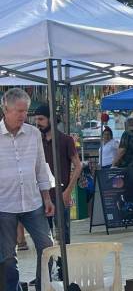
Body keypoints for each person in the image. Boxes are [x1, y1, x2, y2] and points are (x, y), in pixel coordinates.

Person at [0, 88, 55, 291]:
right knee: (7, 256)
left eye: (26, 111)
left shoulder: (33, 134)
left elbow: (41, 167)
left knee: (47, 247)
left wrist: (47, 197)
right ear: (5, 109)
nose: (23, 115)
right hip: (4, 204)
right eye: (19, 111)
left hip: (33, 202)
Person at [33, 105, 82, 245]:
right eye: (36, 119)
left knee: (63, 236)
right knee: (44, 238)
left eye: (41, 119)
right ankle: (48, 260)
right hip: (40, 195)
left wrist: (68, 192)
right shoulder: (36, 140)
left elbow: (78, 166)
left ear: (51, 119)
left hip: (60, 194)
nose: (38, 123)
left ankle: (63, 260)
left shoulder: (66, 140)